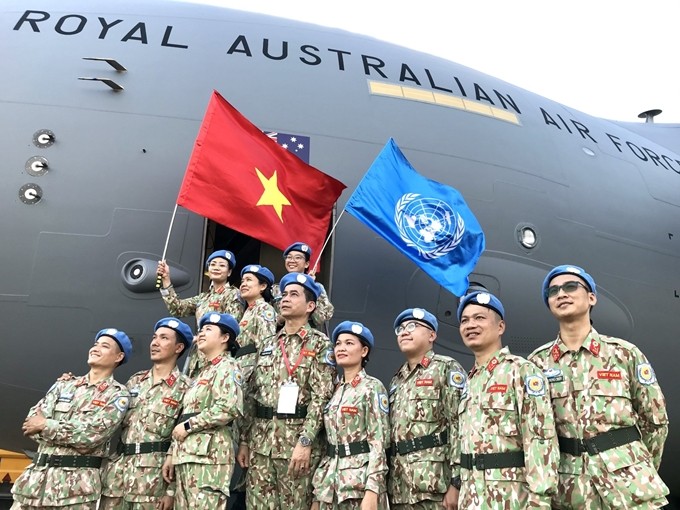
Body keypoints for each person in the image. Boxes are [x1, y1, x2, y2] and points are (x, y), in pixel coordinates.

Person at [528, 265, 670, 509]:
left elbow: (655, 421)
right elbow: (534, 432)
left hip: (629, 485)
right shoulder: (537, 364)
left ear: (591, 297)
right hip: (570, 491)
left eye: (571, 287)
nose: (561, 294)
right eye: (553, 291)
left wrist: (635, 465)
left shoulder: (624, 354)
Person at [237, 272, 336, 509]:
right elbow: (253, 393)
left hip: (295, 448)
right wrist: (244, 440)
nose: (285, 299)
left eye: (294, 295)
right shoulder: (269, 343)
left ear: (310, 306)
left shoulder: (320, 344)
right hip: (261, 445)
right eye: (284, 294)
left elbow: (321, 397)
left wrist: (305, 441)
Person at [454, 291, 559, 508]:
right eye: (465, 321)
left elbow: (540, 438)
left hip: (510, 498)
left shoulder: (521, 371)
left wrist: (539, 500)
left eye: (479, 318)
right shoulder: (470, 381)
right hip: (472, 497)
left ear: (500, 327)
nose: (470, 325)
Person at [11, 328, 132, 509]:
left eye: (104, 346)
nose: (95, 349)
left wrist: (46, 425)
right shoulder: (64, 385)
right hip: (33, 486)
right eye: (95, 345)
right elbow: (31, 424)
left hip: (74, 492)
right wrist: (60, 431)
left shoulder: (117, 394)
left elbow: (92, 436)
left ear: (118, 357)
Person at [99, 318, 193, 510]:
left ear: (178, 347)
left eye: (164, 338)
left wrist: (171, 491)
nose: (155, 343)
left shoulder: (186, 388)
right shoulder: (135, 382)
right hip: (117, 478)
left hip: (152, 483)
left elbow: (183, 442)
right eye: (154, 337)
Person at [162, 312, 244, 509]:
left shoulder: (228, 366)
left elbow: (228, 407)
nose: (202, 334)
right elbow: (185, 416)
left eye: (208, 329)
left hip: (209, 459)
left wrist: (190, 426)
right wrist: (173, 453)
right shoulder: (201, 373)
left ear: (225, 338)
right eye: (201, 330)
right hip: (188, 456)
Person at [387, 308, 463, 510]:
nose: (404, 332)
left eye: (412, 326)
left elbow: (460, 425)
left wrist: (457, 482)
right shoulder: (397, 380)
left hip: (434, 486)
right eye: (400, 328)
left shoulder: (445, 368)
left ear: (432, 335)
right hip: (400, 488)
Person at [312, 321, 390, 510]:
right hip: (329, 485)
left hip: (357, 486)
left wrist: (373, 491)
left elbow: (379, 442)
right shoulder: (335, 390)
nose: (341, 348)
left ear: (364, 351)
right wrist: (317, 496)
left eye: (349, 343)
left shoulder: (372, 387)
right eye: (338, 343)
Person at [157, 249, 244, 377]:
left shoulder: (232, 294)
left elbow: (232, 324)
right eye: (213, 264)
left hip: (218, 358)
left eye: (222, 265)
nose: (216, 268)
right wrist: (166, 281)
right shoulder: (203, 297)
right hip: (197, 357)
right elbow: (177, 308)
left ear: (229, 272)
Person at [271, 242, 334, 327]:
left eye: (298, 258)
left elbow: (321, 318)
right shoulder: (276, 289)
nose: (292, 261)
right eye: (289, 257)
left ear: (307, 264)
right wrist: (284, 317)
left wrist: (311, 288)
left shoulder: (317, 287)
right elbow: (268, 320)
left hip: (307, 336)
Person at [234, 263, 277, 381]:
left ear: (262, 286)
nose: (243, 284)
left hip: (252, 374)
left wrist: (261, 379)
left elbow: (266, 345)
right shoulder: (248, 311)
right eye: (242, 281)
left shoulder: (264, 308)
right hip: (242, 369)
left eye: (249, 280)